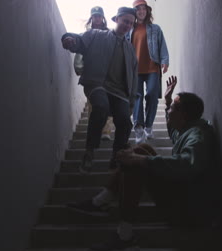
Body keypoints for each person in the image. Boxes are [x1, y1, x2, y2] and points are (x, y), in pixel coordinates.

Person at [68, 76, 217, 251]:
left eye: (172, 109)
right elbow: (175, 132)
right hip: (182, 196)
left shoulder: (197, 137)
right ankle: (101, 201)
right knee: (142, 149)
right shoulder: (190, 128)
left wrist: (142, 161)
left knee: (136, 162)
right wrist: (169, 100)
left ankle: (125, 236)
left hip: (187, 211)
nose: (168, 111)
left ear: (183, 115)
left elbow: (186, 165)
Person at [61, 7, 138, 173]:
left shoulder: (131, 50)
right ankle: (89, 151)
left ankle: (116, 157)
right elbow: (80, 41)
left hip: (120, 92)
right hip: (97, 84)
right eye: (125, 21)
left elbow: (134, 78)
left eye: (131, 23)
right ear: (116, 19)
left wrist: (132, 100)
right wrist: (69, 39)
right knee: (101, 107)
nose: (127, 25)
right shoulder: (97, 35)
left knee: (125, 122)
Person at [127, 0, 170, 144]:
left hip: (152, 67)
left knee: (151, 94)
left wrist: (165, 60)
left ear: (147, 10)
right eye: (138, 9)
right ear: (134, 12)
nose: (141, 11)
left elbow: (162, 45)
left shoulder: (155, 29)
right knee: (137, 97)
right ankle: (138, 127)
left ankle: (149, 125)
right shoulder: (129, 29)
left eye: (143, 8)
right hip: (135, 69)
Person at [73, 6, 115, 141]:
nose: (97, 18)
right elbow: (80, 51)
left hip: (107, 75)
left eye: (99, 16)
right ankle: (94, 131)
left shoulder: (110, 34)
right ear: (92, 18)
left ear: (103, 17)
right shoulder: (87, 34)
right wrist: (79, 68)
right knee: (93, 104)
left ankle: (106, 131)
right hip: (92, 76)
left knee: (108, 102)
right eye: (95, 16)